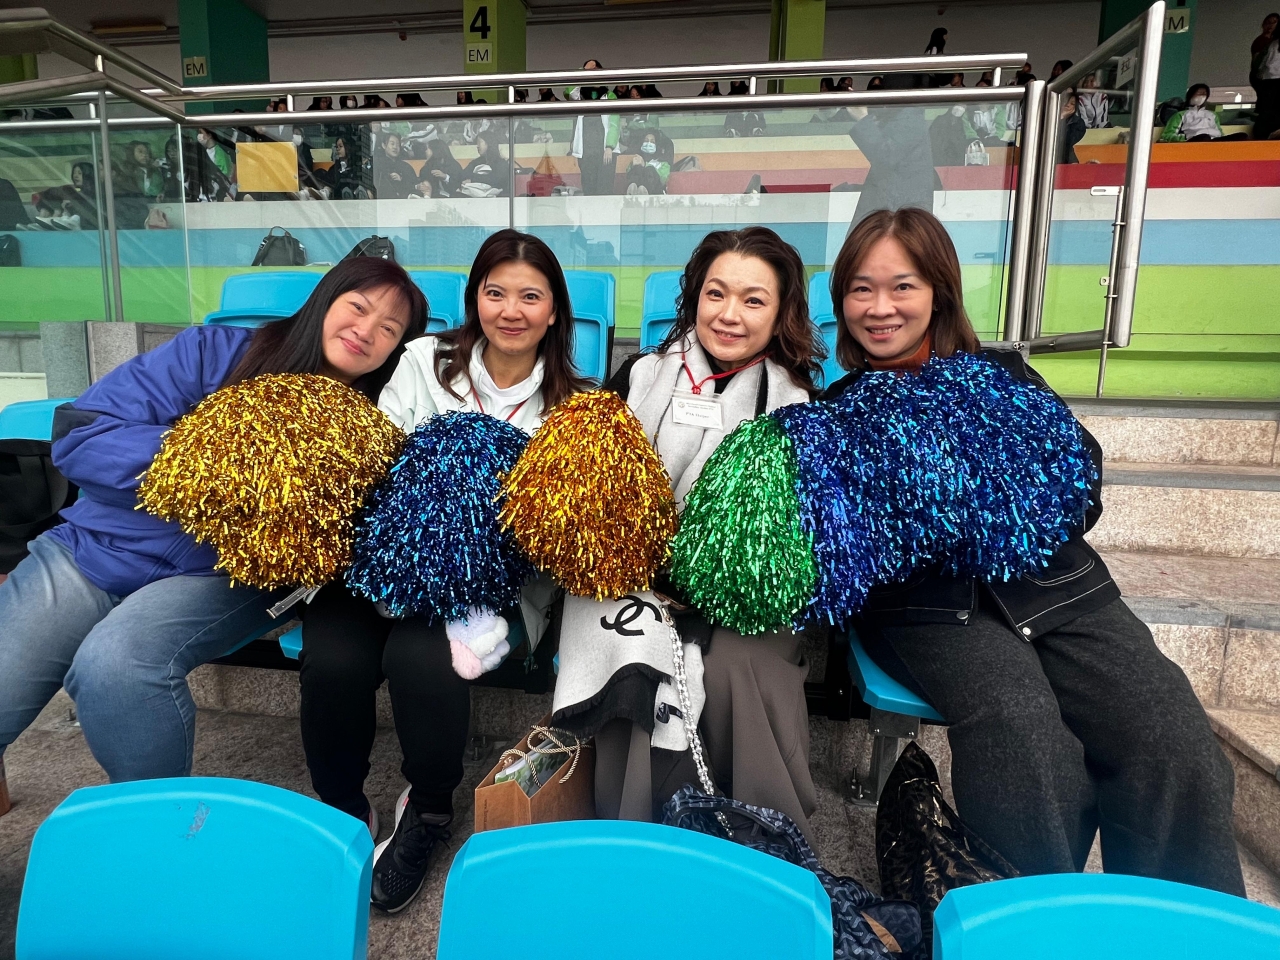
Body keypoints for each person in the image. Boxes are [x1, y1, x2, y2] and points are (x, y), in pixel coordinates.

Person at [822, 207, 1245, 898]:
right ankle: (1028, 926)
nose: (879, 307)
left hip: (1059, 590)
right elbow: (847, 547)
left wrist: (1010, 514)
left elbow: (1083, 482)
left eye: (902, 286)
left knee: (1170, 735)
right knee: (1024, 737)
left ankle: (1185, 928)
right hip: (932, 610)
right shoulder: (837, 412)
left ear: (939, 293)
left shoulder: (1005, 377)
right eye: (860, 289)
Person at [0, 258, 426, 789]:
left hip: (225, 575)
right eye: (357, 307)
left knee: (116, 664)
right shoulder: (214, 352)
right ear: (325, 300)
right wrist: (218, 462)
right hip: (94, 548)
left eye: (389, 329)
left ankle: (150, 821)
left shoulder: (377, 417)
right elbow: (83, 434)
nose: (365, 330)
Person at [299, 230, 587, 913]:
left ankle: (427, 809)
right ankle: (341, 809)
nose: (510, 310)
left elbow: (557, 535)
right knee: (333, 656)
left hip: (494, 591)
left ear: (554, 311)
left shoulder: (575, 403)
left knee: (423, 658)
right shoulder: (424, 362)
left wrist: (475, 542)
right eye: (495, 293)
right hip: (388, 563)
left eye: (530, 296)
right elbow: (378, 462)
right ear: (474, 299)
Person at [553, 227, 823, 841]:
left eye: (753, 300)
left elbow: (793, 541)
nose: (729, 314)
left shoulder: (799, 404)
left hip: (744, 588)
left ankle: (766, 839)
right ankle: (636, 833)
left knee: (736, 668)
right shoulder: (640, 376)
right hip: (634, 573)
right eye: (715, 294)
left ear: (781, 312)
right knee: (637, 653)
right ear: (695, 297)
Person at [846, 74, 938, 228]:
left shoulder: (911, 119)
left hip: (897, 218)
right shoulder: (905, 118)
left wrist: (862, 118)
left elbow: (886, 156)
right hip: (898, 215)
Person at [567, 60, 620, 196]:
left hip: (605, 151)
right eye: (592, 73)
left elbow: (614, 124)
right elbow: (568, 91)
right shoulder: (580, 95)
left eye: (598, 73)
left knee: (604, 188)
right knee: (588, 188)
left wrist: (609, 146)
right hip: (586, 151)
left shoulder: (610, 96)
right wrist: (583, 70)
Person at [1161, 84, 1249, 143]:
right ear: (1191, 95)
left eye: (1204, 94)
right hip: (1194, 141)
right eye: (1199, 93)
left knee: (1242, 136)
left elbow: (1220, 133)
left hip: (1214, 141)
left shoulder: (1212, 115)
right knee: (1204, 137)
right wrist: (1187, 137)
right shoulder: (1181, 115)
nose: (1202, 96)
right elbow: (1167, 135)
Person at [460, 132, 511, 197]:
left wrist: (473, 179)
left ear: (488, 143)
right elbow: (463, 175)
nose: (477, 146)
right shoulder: (475, 162)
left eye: (479, 142)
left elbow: (496, 180)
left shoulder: (501, 163)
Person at [624, 130, 674, 195]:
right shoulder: (638, 158)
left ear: (656, 145)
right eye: (646, 141)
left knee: (650, 169)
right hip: (637, 189)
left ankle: (644, 191)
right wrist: (632, 165)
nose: (649, 143)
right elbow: (628, 174)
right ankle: (632, 191)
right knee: (637, 168)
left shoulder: (663, 162)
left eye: (652, 141)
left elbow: (663, 178)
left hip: (655, 192)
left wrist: (645, 165)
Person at [323, 134, 370, 199]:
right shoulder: (334, 168)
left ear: (348, 147)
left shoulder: (358, 167)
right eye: (337, 147)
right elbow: (328, 184)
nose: (338, 149)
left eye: (340, 146)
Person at [373, 132, 417, 199]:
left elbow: (414, 185)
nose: (395, 147)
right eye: (392, 144)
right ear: (384, 145)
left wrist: (401, 180)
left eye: (398, 144)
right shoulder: (378, 165)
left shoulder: (406, 166)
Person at [1253, 33, 1280, 139]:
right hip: (1272, 81)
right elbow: (1268, 66)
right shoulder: (1273, 44)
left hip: (1269, 81)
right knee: (1269, 112)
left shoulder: (1272, 44)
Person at [1250, 13, 1279, 99]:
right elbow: (1257, 62)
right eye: (1268, 22)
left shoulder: (1272, 41)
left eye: (1274, 22)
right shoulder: (1262, 41)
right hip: (1263, 77)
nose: (1271, 25)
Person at [1058, 91, 1087, 162]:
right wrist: (1060, 118)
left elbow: (1068, 142)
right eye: (1065, 102)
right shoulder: (1048, 118)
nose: (1067, 105)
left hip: (1067, 158)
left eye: (1072, 104)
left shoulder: (1078, 123)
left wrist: (1062, 117)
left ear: (1075, 107)